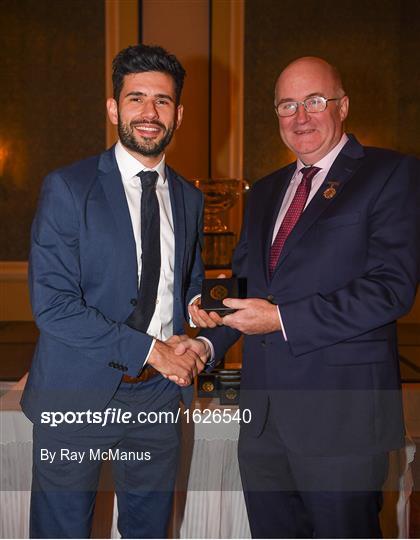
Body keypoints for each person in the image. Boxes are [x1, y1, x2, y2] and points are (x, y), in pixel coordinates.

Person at [182, 57, 420, 538]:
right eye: (287, 105)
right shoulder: (266, 190)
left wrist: (282, 319)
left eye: (314, 101)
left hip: (342, 422)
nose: (300, 117)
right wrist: (207, 343)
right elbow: (249, 290)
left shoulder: (392, 174)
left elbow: (391, 289)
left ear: (343, 105)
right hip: (264, 422)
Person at [21, 44, 207, 538]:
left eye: (162, 101)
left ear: (179, 113)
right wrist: (153, 351)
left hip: (157, 400)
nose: (149, 113)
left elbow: (186, 281)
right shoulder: (67, 187)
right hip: (74, 394)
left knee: (149, 533)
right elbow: (54, 307)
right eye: (136, 98)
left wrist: (195, 314)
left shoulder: (190, 198)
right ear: (113, 108)